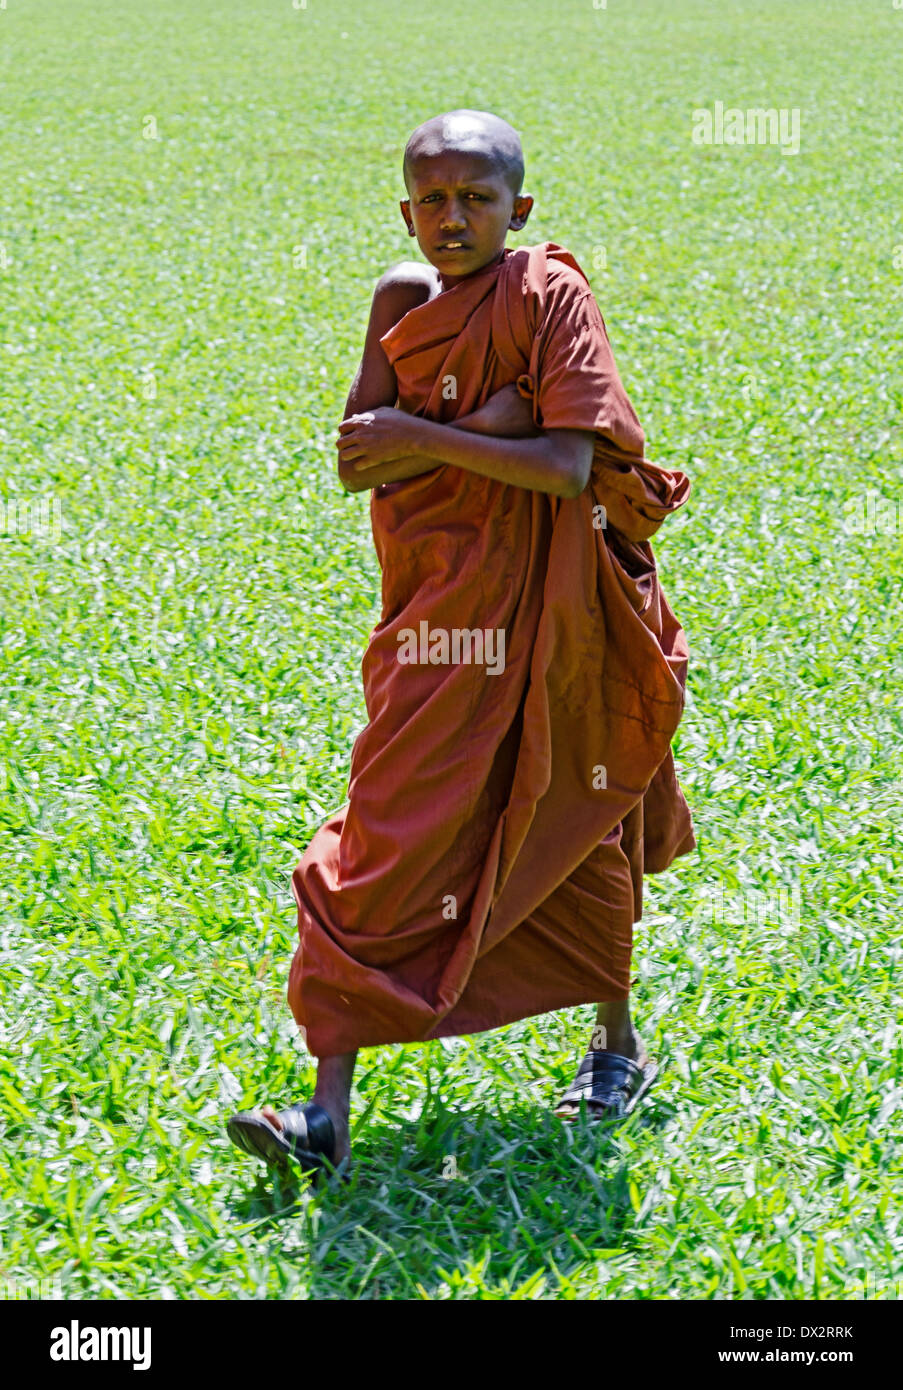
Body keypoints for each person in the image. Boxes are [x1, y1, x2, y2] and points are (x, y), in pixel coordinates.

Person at [227, 109, 694, 1176]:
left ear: (518, 209)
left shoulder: (551, 295)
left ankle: (614, 1048)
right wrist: (486, 431)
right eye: (432, 199)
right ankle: (323, 1115)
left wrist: (438, 438)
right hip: (435, 623)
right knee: (388, 827)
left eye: (475, 199)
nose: (452, 218)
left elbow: (570, 465)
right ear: (405, 210)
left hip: (553, 607)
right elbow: (359, 461)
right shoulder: (401, 298)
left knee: (576, 806)